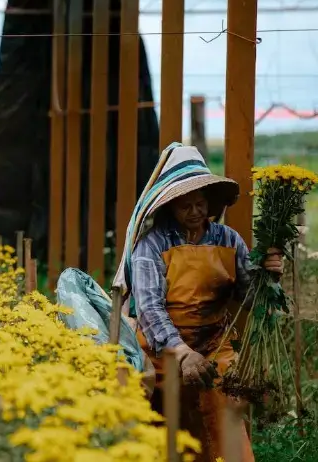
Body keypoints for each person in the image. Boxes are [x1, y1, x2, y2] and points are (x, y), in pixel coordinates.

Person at [114, 144, 283, 462]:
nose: (193, 212)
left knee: (226, 429)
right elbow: (150, 309)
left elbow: (249, 297)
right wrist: (181, 353)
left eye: (200, 203)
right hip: (163, 351)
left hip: (216, 348)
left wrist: (270, 277)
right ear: (169, 208)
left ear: (210, 202)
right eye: (184, 206)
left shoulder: (228, 239)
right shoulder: (152, 245)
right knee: (166, 434)